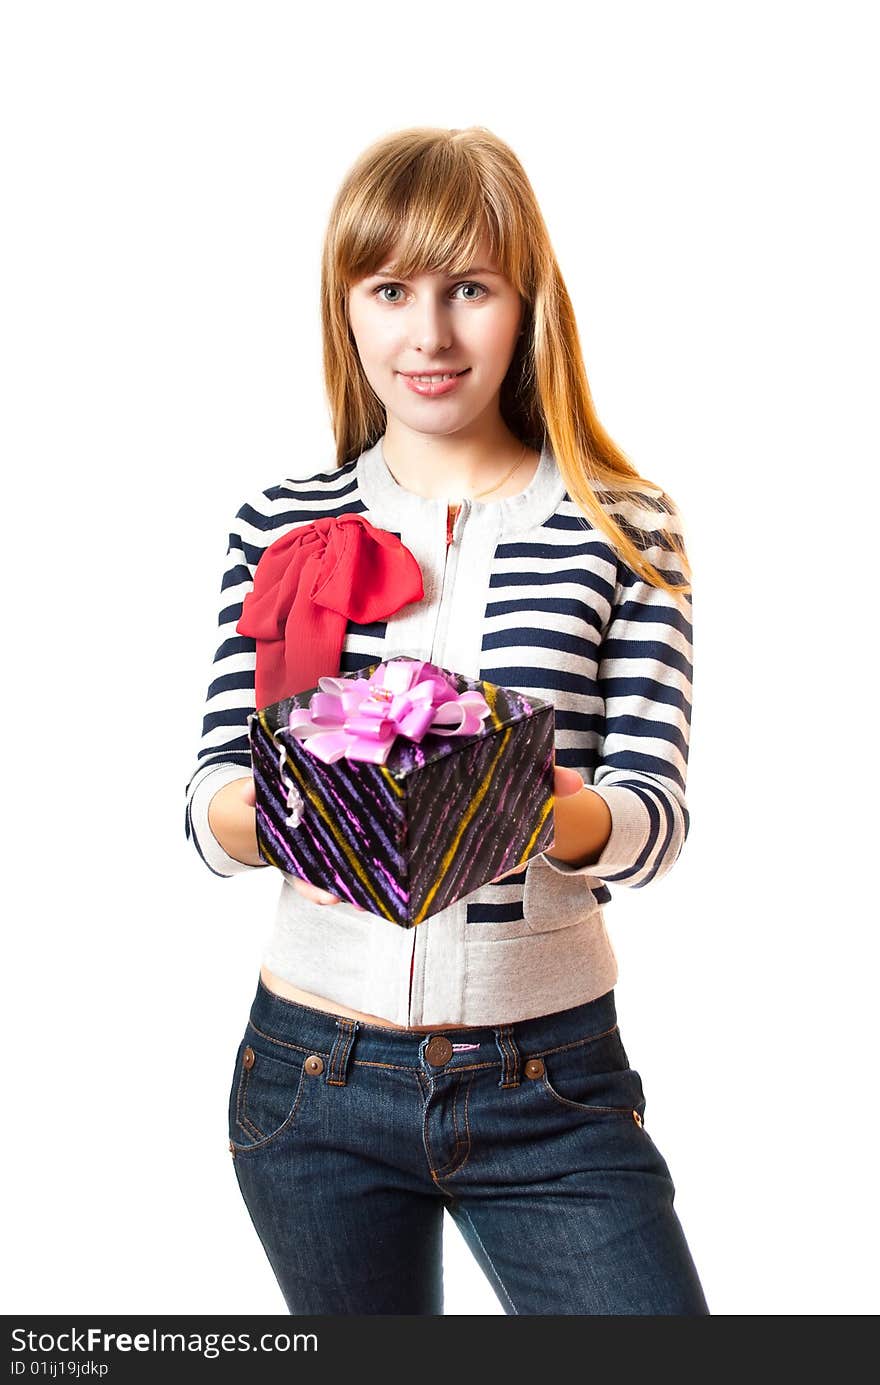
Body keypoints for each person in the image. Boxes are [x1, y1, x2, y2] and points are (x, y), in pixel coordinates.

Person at [184, 125, 709, 1316]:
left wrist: (526, 809)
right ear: (347, 308)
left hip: (546, 1080)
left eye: (469, 288)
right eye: (391, 289)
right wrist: (318, 811)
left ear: (526, 305)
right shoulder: (279, 521)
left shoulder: (623, 527)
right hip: (307, 1076)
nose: (428, 334)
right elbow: (210, 801)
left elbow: (652, 818)